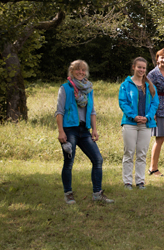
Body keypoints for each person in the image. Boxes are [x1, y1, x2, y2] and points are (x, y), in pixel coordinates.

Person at [56, 60, 113, 204]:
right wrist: (61, 131)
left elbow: (92, 111)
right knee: (69, 162)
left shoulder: (89, 89)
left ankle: (97, 194)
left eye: (83, 70)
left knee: (97, 159)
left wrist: (94, 129)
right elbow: (59, 112)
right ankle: (68, 193)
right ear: (72, 71)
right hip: (70, 130)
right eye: (78, 70)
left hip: (84, 130)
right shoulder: (65, 88)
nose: (81, 72)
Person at [118, 57, 157, 189]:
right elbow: (123, 102)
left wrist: (148, 117)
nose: (141, 70)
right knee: (129, 152)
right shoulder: (125, 85)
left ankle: (140, 181)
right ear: (133, 67)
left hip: (146, 124)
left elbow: (154, 103)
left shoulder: (149, 85)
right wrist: (133, 116)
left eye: (144, 68)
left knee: (142, 153)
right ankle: (127, 182)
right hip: (130, 123)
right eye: (139, 67)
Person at [147, 48, 164, 177]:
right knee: (160, 138)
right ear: (157, 59)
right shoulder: (152, 74)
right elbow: (150, 93)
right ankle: (153, 168)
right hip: (158, 108)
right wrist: (153, 112)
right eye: (161, 57)